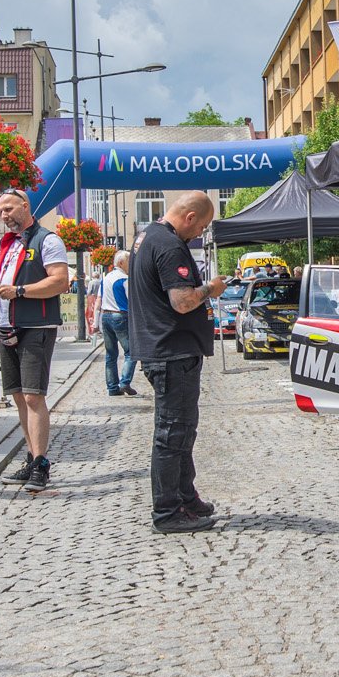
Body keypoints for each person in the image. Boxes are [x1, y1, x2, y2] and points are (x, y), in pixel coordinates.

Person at [0, 189, 71, 489]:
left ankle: (41, 463)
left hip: (36, 326)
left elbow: (60, 280)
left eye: (9, 209)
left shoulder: (47, 240)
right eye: (1, 211)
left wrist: (20, 291)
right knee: (19, 395)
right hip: (6, 326)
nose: (5, 215)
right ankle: (32, 455)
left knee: (34, 395)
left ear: (26, 206)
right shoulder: (2, 244)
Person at [128, 190, 225, 533]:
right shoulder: (169, 245)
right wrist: (211, 289)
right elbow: (182, 301)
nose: (200, 233)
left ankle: (185, 495)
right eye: (201, 226)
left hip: (167, 349)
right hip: (171, 351)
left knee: (182, 430)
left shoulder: (146, 236)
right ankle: (167, 511)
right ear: (189, 217)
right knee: (172, 434)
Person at [91, 251, 138, 397]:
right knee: (131, 352)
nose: (131, 264)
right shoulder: (124, 279)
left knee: (111, 354)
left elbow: (98, 301)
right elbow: (132, 300)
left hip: (106, 316)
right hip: (121, 316)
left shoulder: (106, 278)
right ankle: (124, 382)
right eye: (129, 261)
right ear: (121, 263)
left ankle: (112, 387)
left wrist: (95, 320)